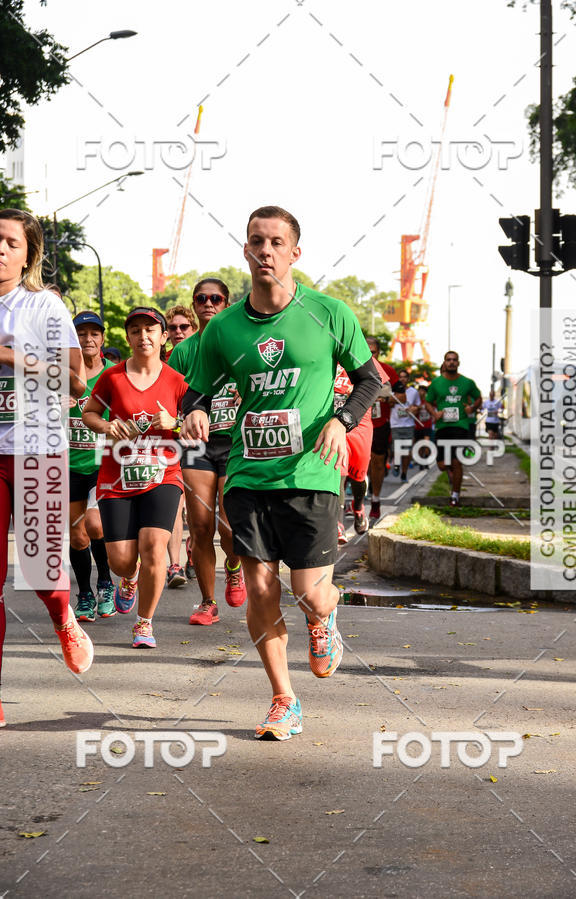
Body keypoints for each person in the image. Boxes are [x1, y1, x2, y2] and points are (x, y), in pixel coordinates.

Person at [181, 206, 381, 740]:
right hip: (248, 476)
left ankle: (325, 617)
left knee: (310, 592)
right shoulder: (223, 327)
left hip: (313, 472)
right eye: (255, 241)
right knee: (260, 586)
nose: (265, 250)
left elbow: (369, 380)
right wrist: (195, 411)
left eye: (275, 242)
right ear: (245, 250)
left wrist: (342, 422)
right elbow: (196, 390)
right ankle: (282, 699)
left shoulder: (328, 313)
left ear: (295, 253)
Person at [0, 209, 93, 726]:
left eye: (10, 242)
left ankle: (63, 615)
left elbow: (76, 383)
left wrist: (13, 359)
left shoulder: (45, 307)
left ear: (28, 253)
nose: (0, 249)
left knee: (39, 569)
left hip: (38, 448)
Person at [82, 307, 187, 649]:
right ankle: (130, 577)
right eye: (136, 330)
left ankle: (144, 623)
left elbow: (197, 423)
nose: (144, 336)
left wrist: (175, 423)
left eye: (150, 330)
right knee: (121, 561)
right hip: (117, 478)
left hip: (163, 475)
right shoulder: (112, 377)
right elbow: (89, 413)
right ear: (127, 338)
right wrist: (108, 426)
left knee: (155, 546)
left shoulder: (176, 381)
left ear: (162, 336)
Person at [168, 278, 247, 624]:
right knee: (200, 527)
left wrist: (249, 397)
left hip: (234, 443)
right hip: (197, 445)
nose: (208, 303)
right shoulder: (185, 351)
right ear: (195, 303)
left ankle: (233, 565)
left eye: (216, 298)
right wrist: (177, 419)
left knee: (229, 527)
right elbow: (166, 394)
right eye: (201, 298)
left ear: (227, 303)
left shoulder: (243, 341)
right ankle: (206, 602)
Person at [68, 311, 116, 621]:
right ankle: (85, 593)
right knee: (77, 535)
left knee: (96, 525)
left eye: (94, 333)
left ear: (102, 338)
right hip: (69, 463)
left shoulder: (114, 374)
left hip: (103, 463)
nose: (88, 339)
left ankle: (106, 583)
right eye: (81, 333)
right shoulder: (59, 373)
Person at [334, 358, 390, 538]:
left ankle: (358, 507)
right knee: (338, 471)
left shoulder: (360, 355)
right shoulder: (323, 352)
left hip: (360, 424)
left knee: (358, 476)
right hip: (333, 423)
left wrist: (360, 392)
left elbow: (384, 387)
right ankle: (338, 524)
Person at [164, 304, 199, 587]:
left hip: (200, 440)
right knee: (175, 504)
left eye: (183, 327)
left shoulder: (204, 355)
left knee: (198, 510)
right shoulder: (159, 360)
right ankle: (174, 566)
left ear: (193, 328)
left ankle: (193, 550)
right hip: (170, 440)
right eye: (173, 328)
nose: (178, 332)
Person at [426, 350, 481, 507]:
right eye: (448, 360)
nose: (451, 362)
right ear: (444, 362)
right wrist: (434, 414)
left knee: (457, 461)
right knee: (442, 465)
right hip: (442, 427)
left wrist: (472, 408)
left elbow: (478, 398)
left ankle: (455, 495)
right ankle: (452, 473)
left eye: (454, 360)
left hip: (460, 426)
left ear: (458, 363)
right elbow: (428, 402)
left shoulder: (467, 382)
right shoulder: (436, 383)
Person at [366, 337, 397, 520]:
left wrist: (384, 398)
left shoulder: (388, 371)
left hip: (379, 423)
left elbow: (401, 396)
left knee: (377, 461)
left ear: (378, 352)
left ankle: (375, 499)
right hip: (357, 422)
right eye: (367, 352)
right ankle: (355, 501)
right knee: (359, 463)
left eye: (374, 353)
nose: (370, 356)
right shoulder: (350, 367)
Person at [390, 369, 420, 482]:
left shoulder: (413, 392)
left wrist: (414, 409)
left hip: (408, 424)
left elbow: (418, 406)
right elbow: (388, 403)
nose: (402, 379)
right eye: (400, 377)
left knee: (407, 451)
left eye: (405, 377)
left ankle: (404, 473)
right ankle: (396, 464)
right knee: (396, 448)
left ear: (408, 379)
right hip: (395, 424)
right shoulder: (392, 391)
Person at [414, 384, 434, 469]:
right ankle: (420, 461)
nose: (421, 392)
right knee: (419, 445)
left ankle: (426, 459)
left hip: (427, 425)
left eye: (423, 391)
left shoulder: (428, 401)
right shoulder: (416, 401)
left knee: (426, 443)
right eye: (420, 390)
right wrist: (417, 408)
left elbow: (434, 410)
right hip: (418, 425)